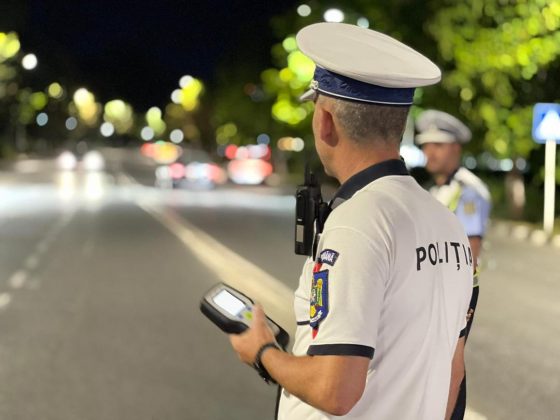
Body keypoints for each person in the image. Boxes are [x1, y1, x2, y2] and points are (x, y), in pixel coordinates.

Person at [229, 22, 473, 419]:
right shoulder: (447, 223)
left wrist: (262, 351)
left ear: (325, 121)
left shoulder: (357, 223)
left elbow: (335, 390)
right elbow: (453, 371)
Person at [415, 110, 492, 419]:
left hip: (454, 291)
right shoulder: (435, 189)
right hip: (431, 289)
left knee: (449, 366)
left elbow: (470, 254)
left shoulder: (469, 190)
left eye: (438, 145)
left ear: (456, 148)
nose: (429, 152)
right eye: (426, 145)